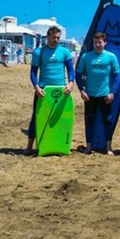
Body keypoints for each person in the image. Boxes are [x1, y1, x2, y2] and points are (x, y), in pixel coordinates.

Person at [26, 26, 75, 155]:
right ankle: (29, 146)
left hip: (61, 90)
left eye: (58, 38)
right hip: (43, 91)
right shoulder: (39, 52)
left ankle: (58, 144)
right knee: (36, 118)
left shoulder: (65, 52)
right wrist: (36, 87)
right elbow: (33, 73)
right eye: (54, 37)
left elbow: (71, 70)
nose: (56, 40)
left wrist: (70, 84)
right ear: (48, 36)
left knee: (59, 118)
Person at [76, 32, 120, 155]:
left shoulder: (111, 57)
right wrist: (81, 90)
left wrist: (113, 92)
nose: (98, 45)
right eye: (96, 42)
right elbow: (78, 74)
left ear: (104, 43)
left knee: (107, 121)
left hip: (105, 95)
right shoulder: (86, 57)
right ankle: (89, 147)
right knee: (89, 121)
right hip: (90, 95)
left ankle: (108, 147)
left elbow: (117, 75)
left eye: (100, 42)